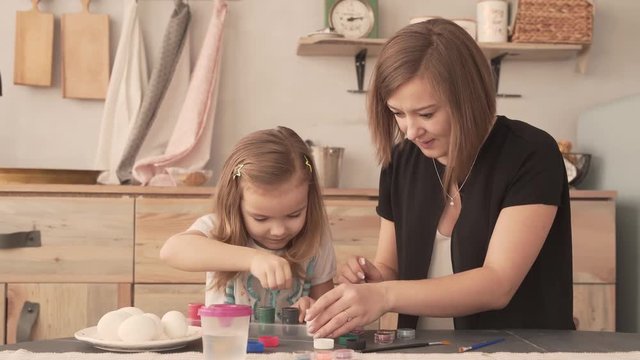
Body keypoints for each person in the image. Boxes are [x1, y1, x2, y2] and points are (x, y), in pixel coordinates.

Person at [304, 18, 574, 338]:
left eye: (427, 114)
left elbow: (497, 284)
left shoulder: (531, 154)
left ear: (469, 98)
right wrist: (371, 280)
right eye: (397, 113)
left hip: (519, 350)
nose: (411, 130)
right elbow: (390, 268)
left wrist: (385, 295)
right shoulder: (401, 160)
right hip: (423, 348)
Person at [160, 126, 336, 323]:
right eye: (261, 218)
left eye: (294, 215)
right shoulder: (218, 228)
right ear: (235, 202)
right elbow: (171, 251)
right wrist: (253, 259)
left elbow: (327, 311)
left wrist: (313, 309)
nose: (278, 231)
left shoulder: (316, 240)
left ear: (308, 200)